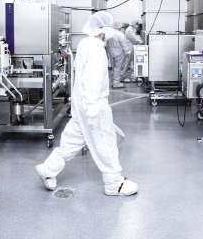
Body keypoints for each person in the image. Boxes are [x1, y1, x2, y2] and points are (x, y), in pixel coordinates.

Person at [35, 11, 138, 196]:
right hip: (93, 106)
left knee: (72, 141)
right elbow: (92, 80)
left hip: (82, 105)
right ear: (102, 30)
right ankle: (114, 183)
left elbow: (80, 78)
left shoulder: (84, 43)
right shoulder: (96, 49)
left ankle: (48, 169)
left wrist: (82, 108)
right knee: (105, 142)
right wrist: (93, 111)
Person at [106, 23, 130, 89]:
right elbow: (124, 44)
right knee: (118, 67)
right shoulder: (120, 34)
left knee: (113, 67)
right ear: (120, 27)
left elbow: (106, 44)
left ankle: (114, 80)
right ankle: (116, 83)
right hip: (119, 52)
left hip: (111, 52)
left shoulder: (109, 33)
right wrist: (127, 52)